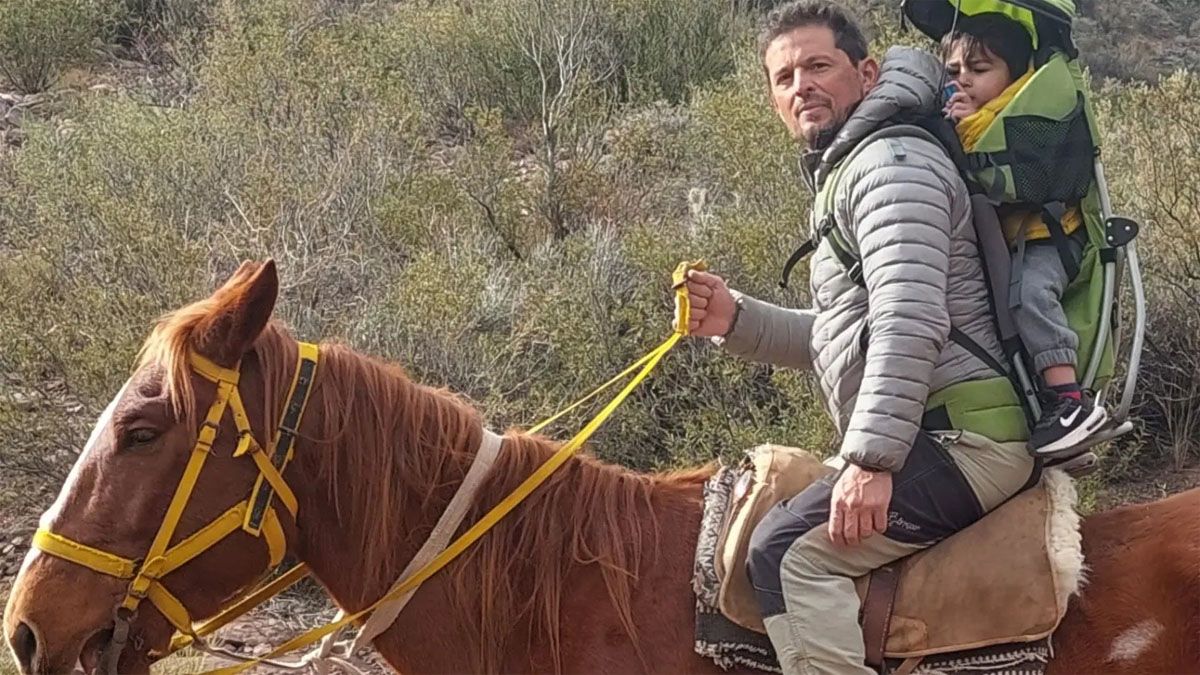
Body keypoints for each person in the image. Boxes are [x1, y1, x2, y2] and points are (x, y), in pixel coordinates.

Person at [679, 2, 1037, 673]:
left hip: (960, 436)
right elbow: (855, 334)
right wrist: (737, 321)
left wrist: (871, 462)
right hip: (932, 427)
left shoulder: (890, 161)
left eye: (818, 66)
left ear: (866, 74)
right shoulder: (862, 164)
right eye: (784, 77)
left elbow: (909, 314)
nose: (801, 86)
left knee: (785, 553)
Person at [942, 14, 1108, 456]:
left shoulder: (1023, 112)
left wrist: (967, 127)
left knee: (1030, 296)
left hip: (1050, 237)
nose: (964, 80)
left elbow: (1004, 172)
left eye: (979, 69)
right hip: (1010, 243)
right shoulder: (970, 113)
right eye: (954, 71)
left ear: (1014, 74)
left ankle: (1070, 401)